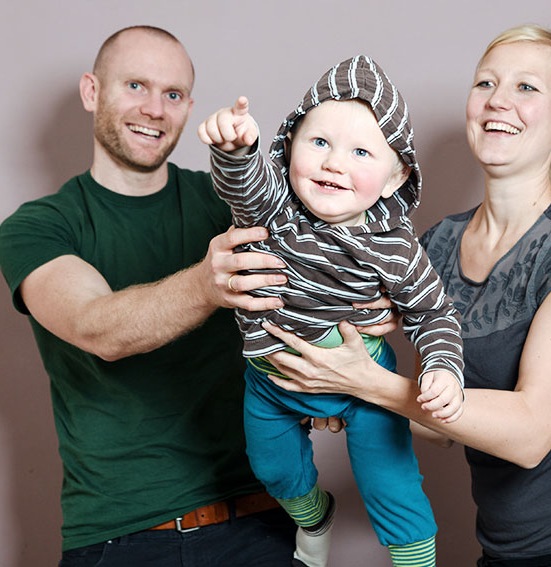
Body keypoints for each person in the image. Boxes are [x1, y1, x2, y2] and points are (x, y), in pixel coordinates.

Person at [256, 25, 551, 567]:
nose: (498, 100)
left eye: (527, 88)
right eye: (485, 82)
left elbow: (530, 432)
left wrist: (367, 383)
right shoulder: (433, 245)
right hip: (506, 551)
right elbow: (440, 423)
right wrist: (340, 400)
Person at [0, 25, 339, 567]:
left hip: (257, 522)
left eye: (173, 95)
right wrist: (208, 284)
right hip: (118, 535)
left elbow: (328, 274)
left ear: (189, 107)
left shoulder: (228, 204)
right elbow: (96, 328)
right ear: (92, 92)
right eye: (135, 86)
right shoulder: (38, 227)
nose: (154, 109)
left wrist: (342, 366)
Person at [197, 55, 465, 567]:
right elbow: (243, 185)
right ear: (289, 144)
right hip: (271, 378)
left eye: (361, 152)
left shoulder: (395, 248)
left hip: (362, 383)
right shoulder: (275, 206)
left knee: (392, 486)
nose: (333, 162)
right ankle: (313, 517)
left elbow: (433, 315)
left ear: (394, 177)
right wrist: (236, 150)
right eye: (318, 142)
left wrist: (442, 369)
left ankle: (416, 560)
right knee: (272, 468)